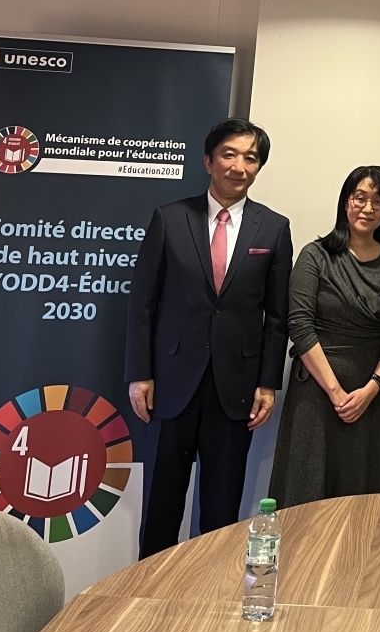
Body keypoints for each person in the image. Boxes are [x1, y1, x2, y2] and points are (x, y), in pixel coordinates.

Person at [125, 118, 292, 559]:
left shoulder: (273, 228)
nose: (239, 166)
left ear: (258, 168)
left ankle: (209, 601)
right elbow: (143, 303)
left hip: (234, 389)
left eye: (250, 158)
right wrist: (139, 374)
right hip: (171, 382)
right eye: (229, 154)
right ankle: (149, 600)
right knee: (160, 509)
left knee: (220, 515)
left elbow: (277, 316)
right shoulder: (170, 218)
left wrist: (268, 383)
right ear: (209, 161)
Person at [268, 166, 380, 506]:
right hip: (316, 395)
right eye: (360, 197)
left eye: (379, 200)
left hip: (369, 397)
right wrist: (335, 392)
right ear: (346, 201)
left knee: (361, 499)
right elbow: (300, 326)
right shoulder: (315, 256)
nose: (368, 207)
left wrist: (370, 389)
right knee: (306, 491)